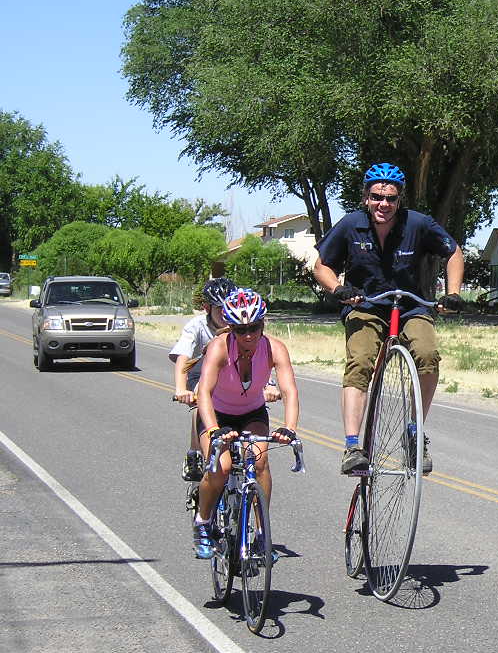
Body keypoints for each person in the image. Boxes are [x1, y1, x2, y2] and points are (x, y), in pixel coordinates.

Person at [312, 162, 464, 476]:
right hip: (365, 305)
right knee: (362, 360)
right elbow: (321, 266)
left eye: (391, 198)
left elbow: (454, 251)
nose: (384, 204)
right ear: (366, 197)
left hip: (410, 306)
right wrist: (339, 289)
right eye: (377, 196)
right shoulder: (351, 225)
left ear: (399, 200)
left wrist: (453, 292)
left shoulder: (418, 224)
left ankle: (414, 432)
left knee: (427, 355)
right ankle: (353, 445)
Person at [191, 288, 299, 560]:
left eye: (255, 327)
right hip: (217, 414)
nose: (248, 335)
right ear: (231, 328)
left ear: (263, 323)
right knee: (221, 467)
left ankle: (262, 535)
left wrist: (289, 427)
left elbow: (289, 391)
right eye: (241, 330)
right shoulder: (219, 348)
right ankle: (202, 524)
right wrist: (214, 429)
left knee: (260, 462)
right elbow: (203, 392)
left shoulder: (275, 348)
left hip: (252, 413)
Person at [169, 277, 281, 480]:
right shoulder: (196, 326)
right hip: (199, 372)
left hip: (229, 377)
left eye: (226, 307)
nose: (224, 313)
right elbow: (183, 358)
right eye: (218, 308)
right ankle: (195, 454)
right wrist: (180, 389)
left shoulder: (242, 324)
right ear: (206, 308)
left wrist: (269, 384)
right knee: (200, 400)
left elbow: (259, 359)